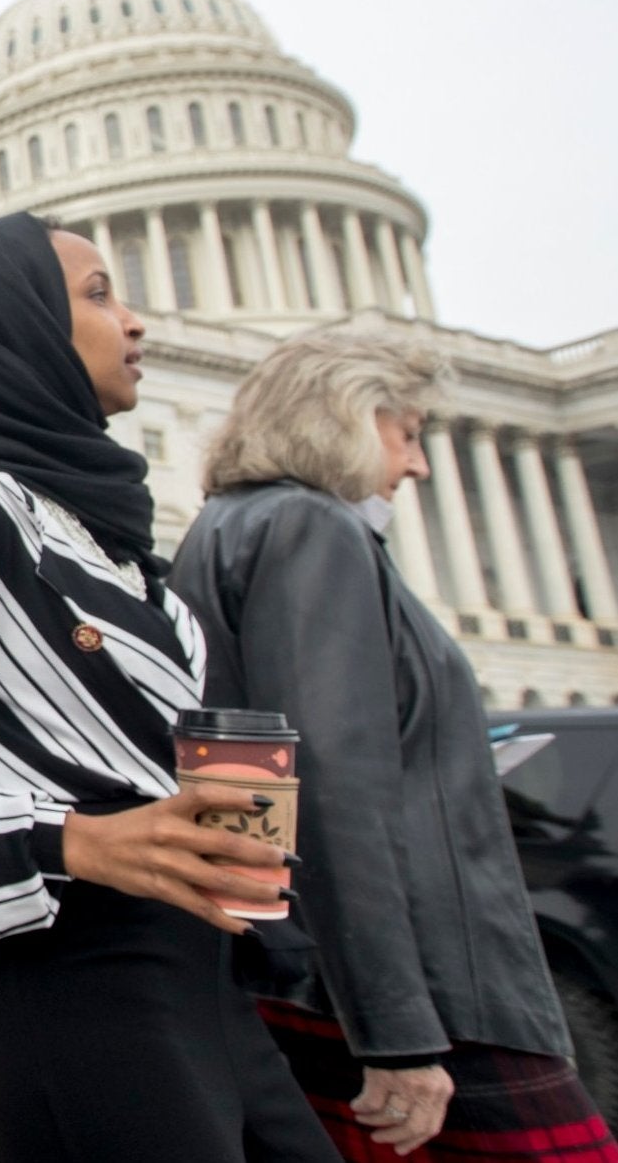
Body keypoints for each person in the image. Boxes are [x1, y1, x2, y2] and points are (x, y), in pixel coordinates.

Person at [0, 212, 338, 1163]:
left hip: (199, 969)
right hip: (67, 970)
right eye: (98, 294)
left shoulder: (125, 551)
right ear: (13, 329)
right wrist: (77, 839)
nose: (135, 321)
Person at [169, 329, 617, 1162]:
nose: (415, 464)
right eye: (404, 431)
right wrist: (397, 1030)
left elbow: (246, 781)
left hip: (309, 972)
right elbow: (336, 786)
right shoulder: (309, 529)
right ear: (344, 415)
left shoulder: (227, 529)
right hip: (429, 986)